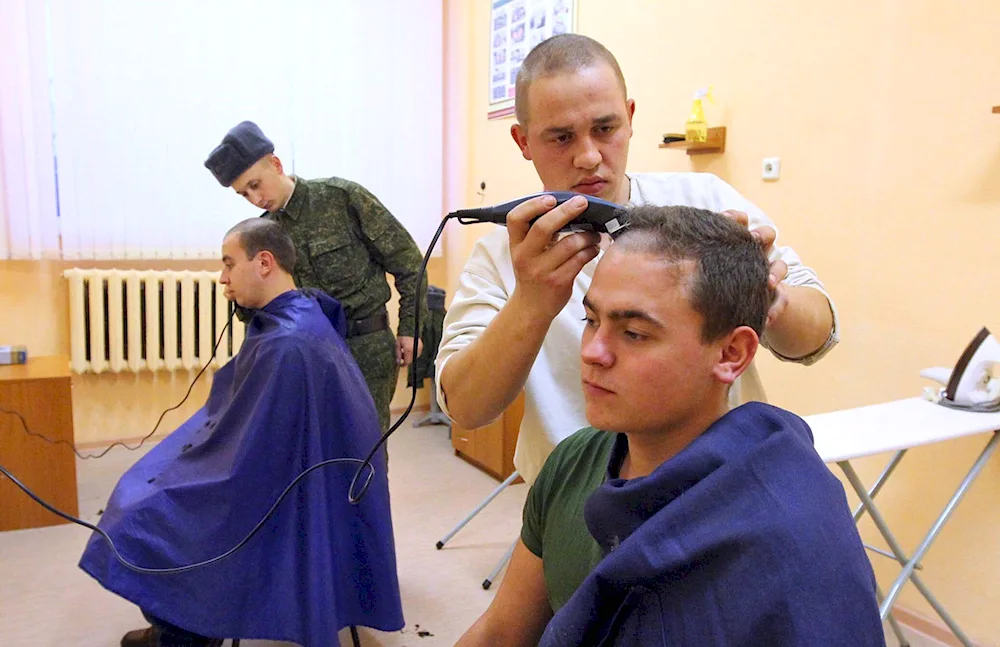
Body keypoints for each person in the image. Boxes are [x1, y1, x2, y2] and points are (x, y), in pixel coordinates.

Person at [457, 206, 884, 646]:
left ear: (731, 353)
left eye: (634, 334)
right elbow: (500, 633)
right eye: (591, 320)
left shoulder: (790, 530)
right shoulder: (574, 460)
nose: (592, 352)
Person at [436, 34, 838, 485]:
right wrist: (531, 302)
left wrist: (771, 299)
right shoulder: (501, 255)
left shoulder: (705, 202)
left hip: (722, 492)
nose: (588, 157)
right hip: (576, 506)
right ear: (523, 140)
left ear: (629, 118)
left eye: (605, 129)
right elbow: (467, 408)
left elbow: (817, 336)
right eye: (561, 137)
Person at [79, 219, 404, 647]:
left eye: (229, 264)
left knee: (140, 510)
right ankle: (185, 624)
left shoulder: (288, 345)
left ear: (264, 262)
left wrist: (188, 471)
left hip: (271, 489)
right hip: (291, 474)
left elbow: (250, 463)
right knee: (150, 482)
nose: (223, 278)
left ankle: (185, 631)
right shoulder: (302, 316)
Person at [205, 121, 427, 431]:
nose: (255, 199)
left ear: (276, 164)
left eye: (256, 185)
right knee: (314, 448)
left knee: (365, 449)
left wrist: (410, 328)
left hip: (365, 348)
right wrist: (239, 294)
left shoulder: (341, 198)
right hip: (307, 356)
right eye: (244, 194)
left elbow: (408, 262)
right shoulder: (263, 234)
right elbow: (265, 308)